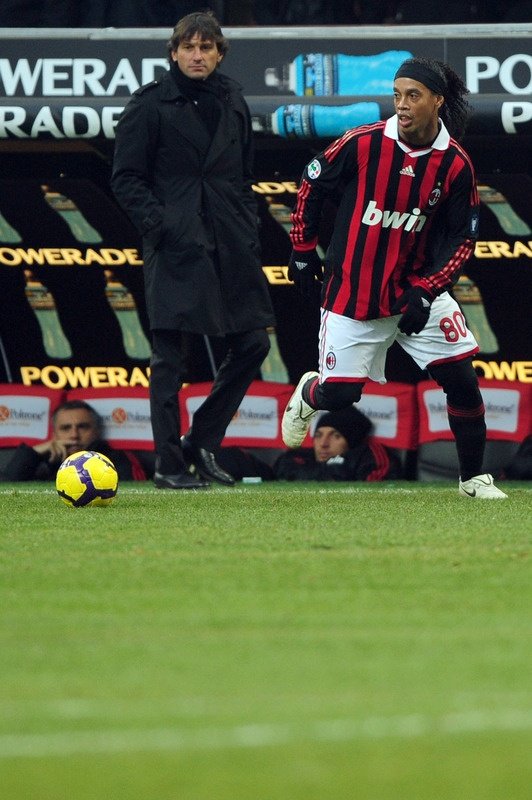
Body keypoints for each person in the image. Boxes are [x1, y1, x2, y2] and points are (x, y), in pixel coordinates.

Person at [282, 56, 507, 499]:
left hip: (415, 293)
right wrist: (303, 250)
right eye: (397, 95)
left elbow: (463, 238)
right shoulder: (363, 142)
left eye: (413, 96)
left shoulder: (456, 166)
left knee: (461, 379)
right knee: (340, 396)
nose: (401, 105)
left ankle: (473, 479)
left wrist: (428, 289)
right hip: (353, 295)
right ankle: (310, 392)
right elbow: (311, 185)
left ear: (438, 102)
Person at [111, 11, 275, 490]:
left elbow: (243, 174)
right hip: (177, 243)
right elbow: (125, 178)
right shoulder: (148, 105)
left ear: (220, 53)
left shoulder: (233, 99)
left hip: (231, 240)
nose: (197, 55)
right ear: (174, 52)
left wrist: (245, 223)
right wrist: (161, 224)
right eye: (189, 47)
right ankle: (166, 465)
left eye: (206, 47)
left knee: (254, 343)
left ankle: (200, 439)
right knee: (169, 357)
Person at [1, 400, 149, 482]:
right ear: (54, 434)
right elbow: (7, 488)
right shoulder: (43, 462)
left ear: (97, 430)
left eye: (83, 427)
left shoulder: (116, 459)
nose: (74, 435)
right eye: (65, 428)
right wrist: (34, 452)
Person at [274, 405, 401, 481]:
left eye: (336, 436)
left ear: (352, 441)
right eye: (318, 435)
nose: (323, 444)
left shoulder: (370, 456)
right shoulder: (297, 456)